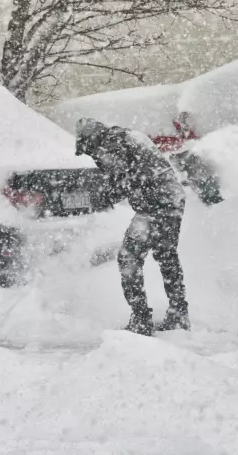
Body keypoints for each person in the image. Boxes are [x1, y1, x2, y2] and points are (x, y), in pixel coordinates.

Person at [75, 118, 190, 336]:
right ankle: (178, 314)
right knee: (167, 256)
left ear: (92, 140)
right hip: (172, 200)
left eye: (89, 150)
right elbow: (134, 173)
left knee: (128, 258)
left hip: (155, 207)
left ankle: (141, 319)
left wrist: (103, 196)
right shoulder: (128, 136)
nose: (92, 155)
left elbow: (123, 180)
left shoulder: (111, 145)